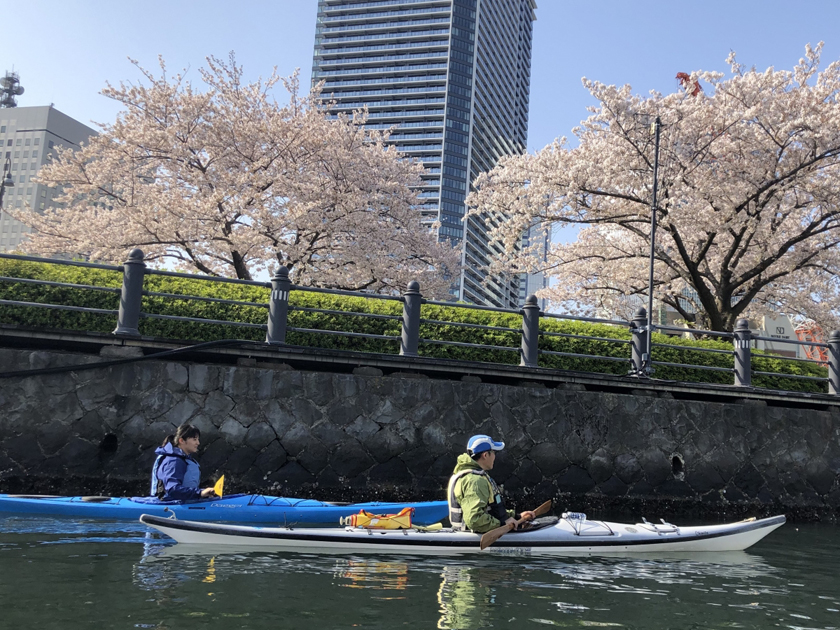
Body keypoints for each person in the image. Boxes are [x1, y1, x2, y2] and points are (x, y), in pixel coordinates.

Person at [447, 434, 536, 534]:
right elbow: (474, 520)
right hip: (474, 537)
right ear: (485, 455)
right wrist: (502, 524)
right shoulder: (475, 481)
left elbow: (492, 510)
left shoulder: (474, 476)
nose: (495, 456)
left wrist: (516, 516)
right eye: (493, 452)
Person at [150, 423, 217, 501]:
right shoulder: (174, 461)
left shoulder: (182, 459)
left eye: (198, 439)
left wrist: (203, 493)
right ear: (181, 440)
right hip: (170, 504)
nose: (198, 443)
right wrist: (200, 493)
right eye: (194, 439)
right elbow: (172, 489)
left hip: (183, 502)